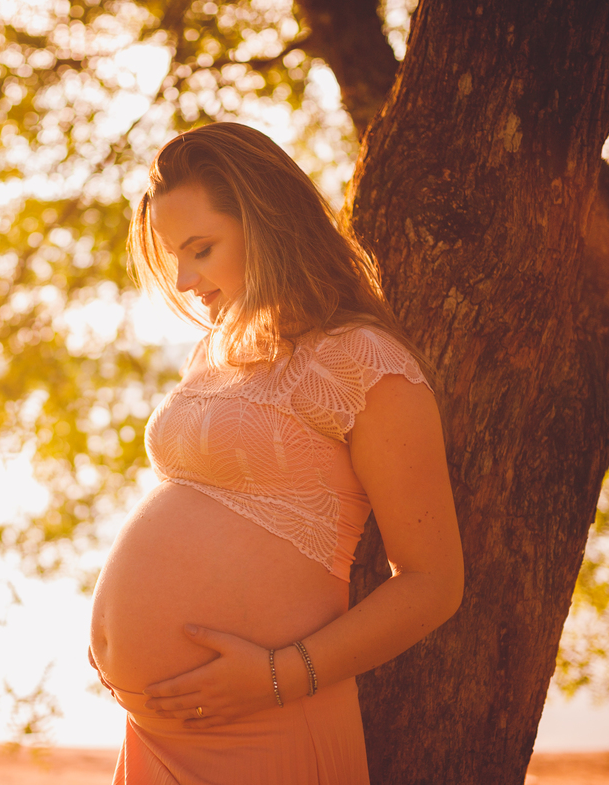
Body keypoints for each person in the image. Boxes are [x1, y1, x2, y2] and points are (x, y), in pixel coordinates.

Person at [87, 122, 464, 784]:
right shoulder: (217, 349)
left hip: (266, 730)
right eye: (174, 256)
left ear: (265, 223)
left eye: (200, 249)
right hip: (155, 736)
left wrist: (279, 679)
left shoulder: (365, 364)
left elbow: (433, 584)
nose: (183, 279)